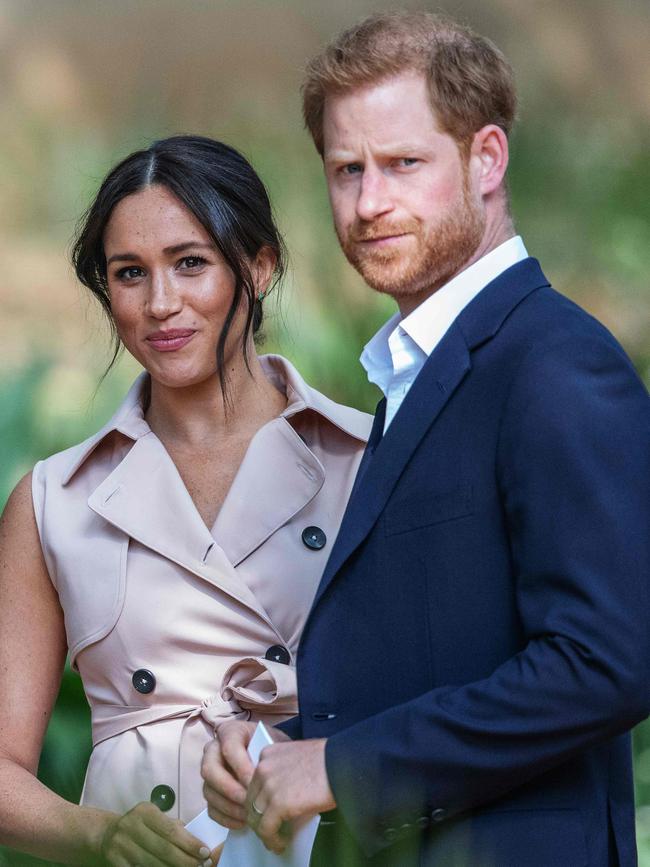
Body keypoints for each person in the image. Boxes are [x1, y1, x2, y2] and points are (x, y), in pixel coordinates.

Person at [201, 12, 650, 867]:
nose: (370, 204)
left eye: (404, 164)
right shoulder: (417, 373)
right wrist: (278, 752)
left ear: (486, 159)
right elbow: (439, 649)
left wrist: (339, 765)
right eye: (346, 170)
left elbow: (609, 661)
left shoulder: (555, 364)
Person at [0, 134, 371, 866]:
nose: (160, 304)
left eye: (191, 262)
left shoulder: (366, 461)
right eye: (129, 273)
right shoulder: (54, 501)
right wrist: (97, 832)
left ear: (259, 266)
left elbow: (438, 708)